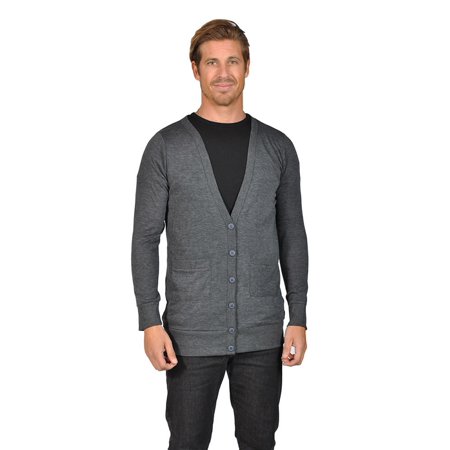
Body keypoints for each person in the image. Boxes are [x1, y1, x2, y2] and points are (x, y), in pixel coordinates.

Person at [131, 18, 309, 450]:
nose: (223, 72)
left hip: (262, 332)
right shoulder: (166, 147)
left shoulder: (278, 147)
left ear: (247, 67)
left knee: (259, 442)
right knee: (187, 442)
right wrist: (149, 321)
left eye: (232, 61)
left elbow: (292, 233)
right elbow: (145, 238)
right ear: (195, 69)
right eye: (212, 62)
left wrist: (298, 316)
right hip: (188, 336)